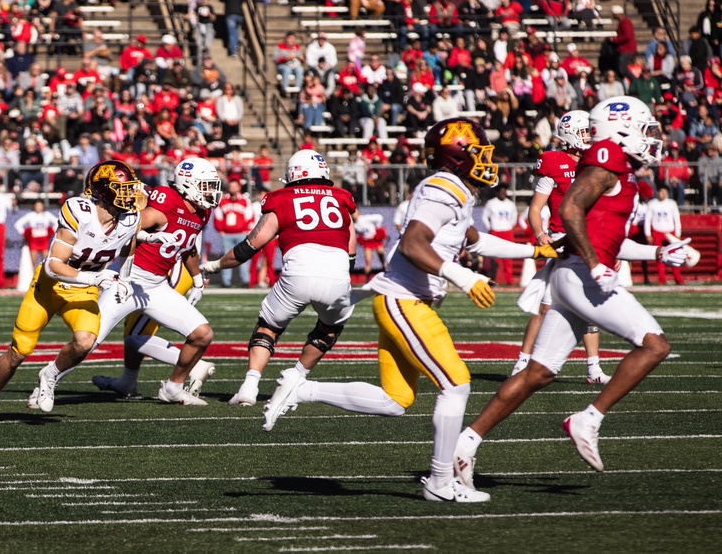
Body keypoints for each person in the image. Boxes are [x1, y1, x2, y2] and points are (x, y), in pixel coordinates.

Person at [244, 120, 558, 503]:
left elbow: (473, 241)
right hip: (404, 301)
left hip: (401, 300)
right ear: (457, 155)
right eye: (478, 151)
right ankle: (441, 482)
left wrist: (534, 250)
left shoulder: (455, 190)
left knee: (395, 401)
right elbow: (412, 243)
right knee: (456, 384)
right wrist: (462, 276)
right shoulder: (444, 188)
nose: (486, 159)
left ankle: (301, 388)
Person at [454, 97, 686, 492]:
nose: (651, 136)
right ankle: (589, 418)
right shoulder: (605, 158)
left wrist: (658, 252)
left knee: (538, 373)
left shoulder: (618, 168)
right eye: (644, 127)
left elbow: (610, 237)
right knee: (655, 346)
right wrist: (595, 264)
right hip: (581, 274)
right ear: (620, 128)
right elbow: (570, 210)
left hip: (572, 273)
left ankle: (464, 444)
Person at [0, 161, 144, 426]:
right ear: (102, 190)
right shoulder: (80, 211)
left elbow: (129, 248)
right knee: (20, 351)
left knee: (85, 341)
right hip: (50, 287)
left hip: (84, 288)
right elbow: (54, 266)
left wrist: (125, 278)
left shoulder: (131, 219)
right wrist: (94, 277)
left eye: (129, 188)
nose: (130, 195)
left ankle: (51, 374)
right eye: (122, 189)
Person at [202, 150, 358, 408]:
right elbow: (351, 243)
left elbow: (251, 245)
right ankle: (296, 378)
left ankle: (249, 387)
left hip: (298, 273)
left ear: (293, 173)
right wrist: (342, 273)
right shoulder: (342, 197)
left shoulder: (281, 198)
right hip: (337, 275)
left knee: (268, 328)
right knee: (328, 329)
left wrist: (216, 265)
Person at [90, 158, 223, 404]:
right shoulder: (167, 199)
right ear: (188, 185)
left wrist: (196, 279)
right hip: (140, 277)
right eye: (205, 185)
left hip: (163, 279)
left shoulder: (201, 210)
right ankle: (126, 381)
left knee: (136, 335)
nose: (211, 191)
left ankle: (171, 381)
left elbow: (189, 244)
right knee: (111, 336)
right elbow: (132, 222)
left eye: (211, 185)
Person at [514, 111, 611, 384]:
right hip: (559, 241)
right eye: (583, 132)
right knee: (545, 306)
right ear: (569, 135)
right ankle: (522, 361)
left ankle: (593, 368)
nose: (588, 137)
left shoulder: (595, 163)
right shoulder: (553, 161)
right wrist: (540, 233)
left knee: (590, 306)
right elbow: (535, 208)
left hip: (589, 241)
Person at [212, 179, 254, 287]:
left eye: (235, 186)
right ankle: (226, 281)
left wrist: (246, 230)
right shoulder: (223, 200)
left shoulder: (245, 200)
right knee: (226, 258)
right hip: (227, 234)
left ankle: (245, 280)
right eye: (231, 186)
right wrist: (220, 230)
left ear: (239, 187)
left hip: (241, 233)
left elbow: (249, 216)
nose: (233, 188)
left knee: (243, 257)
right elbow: (218, 215)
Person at [645, 186, 684, 285]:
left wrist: (678, 233)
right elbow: (648, 219)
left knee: (674, 256)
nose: (663, 194)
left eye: (665, 192)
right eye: (661, 191)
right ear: (658, 192)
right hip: (657, 232)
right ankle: (662, 279)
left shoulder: (671, 204)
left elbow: (677, 219)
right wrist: (648, 233)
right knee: (659, 256)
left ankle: (678, 278)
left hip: (669, 232)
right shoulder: (652, 204)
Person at [14, 200, 61, 267]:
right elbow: (18, 224)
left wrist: (52, 231)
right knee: (32, 261)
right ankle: (33, 276)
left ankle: (44, 276)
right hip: (34, 240)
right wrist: (25, 233)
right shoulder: (31, 215)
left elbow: (57, 222)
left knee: (46, 261)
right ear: (34, 206)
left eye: (40, 205)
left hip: (44, 240)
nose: (38, 207)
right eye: (37, 206)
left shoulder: (47, 214)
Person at [353, 211, 388, 280]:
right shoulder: (354, 225)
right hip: (367, 242)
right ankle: (367, 281)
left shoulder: (364, 218)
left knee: (382, 257)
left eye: (355, 213)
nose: (354, 215)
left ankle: (387, 277)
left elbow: (379, 217)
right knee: (368, 261)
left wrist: (378, 228)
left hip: (375, 239)